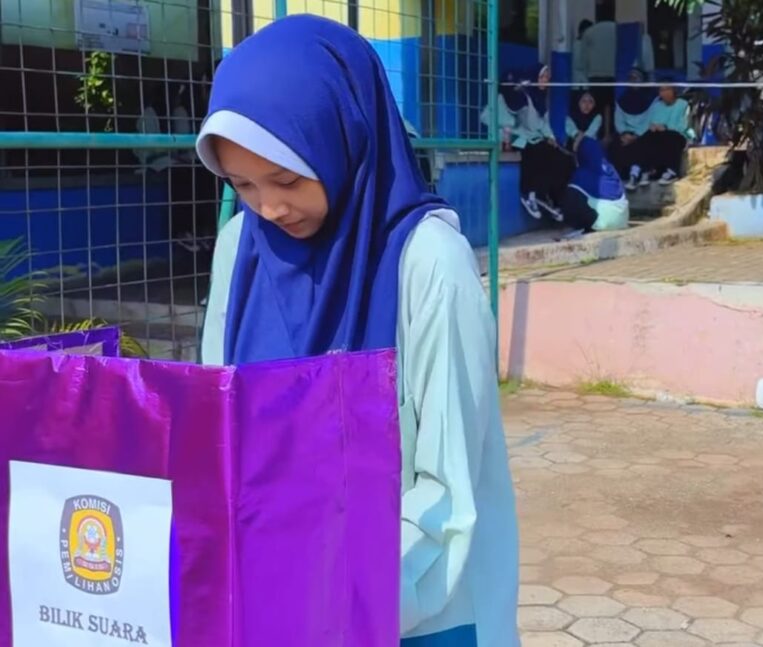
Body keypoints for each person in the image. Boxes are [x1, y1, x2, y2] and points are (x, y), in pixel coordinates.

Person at [196, 15, 519, 647]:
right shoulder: (241, 250)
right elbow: (221, 424)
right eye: (242, 185)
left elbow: (447, 492)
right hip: (274, 593)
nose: (269, 207)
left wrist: (336, 602)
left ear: (345, 137)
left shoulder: (429, 265)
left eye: (288, 179)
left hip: (413, 606)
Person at [513, 64, 574, 221]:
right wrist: (544, 136)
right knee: (540, 151)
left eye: (547, 77)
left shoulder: (540, 98)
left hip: (537, 138)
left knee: (564, 159)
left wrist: (551, 137)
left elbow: (544, 123)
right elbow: (530, 124)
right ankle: (530, 195)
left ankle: (550, 197)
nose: (545, 80)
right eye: (542, 77)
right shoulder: (524, 97)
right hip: (522, 137)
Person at [626, 82, 693, 190]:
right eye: (661, 90)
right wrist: (653, 126)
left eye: (667, 89)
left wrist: (666, 126)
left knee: (671, 137)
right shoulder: (657, 106)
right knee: (645, 138)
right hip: (659, 134)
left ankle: (671, 172)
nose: (664, 93)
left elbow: (683, 125)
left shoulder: (683, 104)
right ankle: (637, 172)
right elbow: (651, 122)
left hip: (677, 134)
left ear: (674, 90)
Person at [562, 137, 629, 233]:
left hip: (601, 222)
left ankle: (579, 225)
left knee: (572, 191)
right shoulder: (610, 168)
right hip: (621, 220)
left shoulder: (582, 173)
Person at [608, 67, 657, 180]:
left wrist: (636, 136)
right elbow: (619, 121)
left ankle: (637, 174)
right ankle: (619, 178)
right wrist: (625, 134)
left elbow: (651, 120)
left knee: (645, 143)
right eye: (630, 78)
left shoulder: (651, 99)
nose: (633, 80)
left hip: (643, 133)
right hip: (625, 134)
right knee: (615, 145)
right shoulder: (622, 100)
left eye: (636, 78)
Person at [580, 19, 618, 140]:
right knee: (610, 108)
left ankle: (595, 137)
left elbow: (583, 58)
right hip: (613, 75)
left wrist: (587, 74)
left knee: (595, 109)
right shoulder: (618, 29)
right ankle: (609, 135)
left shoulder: (589, 32)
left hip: (594, 76)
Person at [571, 19, 593, 91]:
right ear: (583, 32)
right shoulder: (578, 46)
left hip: (581, 83)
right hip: (580, 84)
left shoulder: (580, 45)